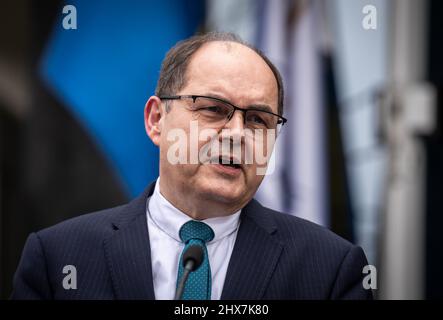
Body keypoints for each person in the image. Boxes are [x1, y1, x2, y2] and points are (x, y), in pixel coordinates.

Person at [11, 32, 372, 300]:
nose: (237, 134)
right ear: (156, 120)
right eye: (213, 109)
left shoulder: (329, 270)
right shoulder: (58, 258)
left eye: (259, 119)